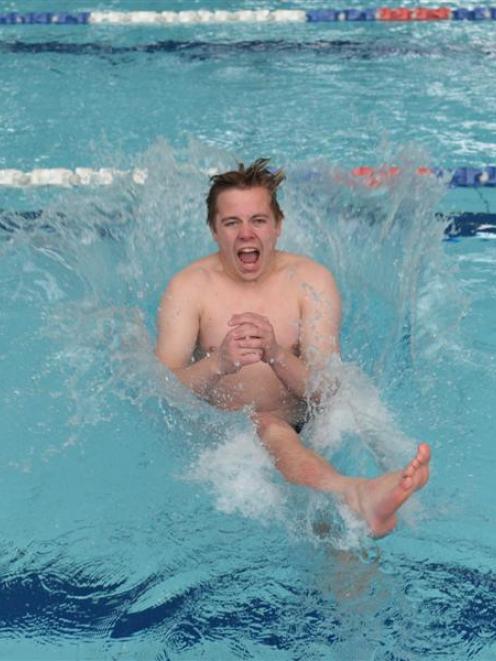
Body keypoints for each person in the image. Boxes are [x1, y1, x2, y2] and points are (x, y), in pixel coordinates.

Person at [155, 159, 430, 538]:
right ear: (214, 231)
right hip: (227, 434)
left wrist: (276, 354)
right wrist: (218, 363)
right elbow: (161, 387)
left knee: (336, 526)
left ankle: (375, 493)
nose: (246, 234)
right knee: (270, 427)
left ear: (278, 227)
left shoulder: (309, 281)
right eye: (232, 223)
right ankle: (355, 493)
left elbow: (324, 390)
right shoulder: (189, 289)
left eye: (258, 220)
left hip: (308, 423)